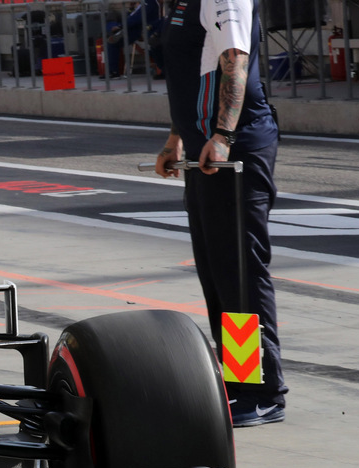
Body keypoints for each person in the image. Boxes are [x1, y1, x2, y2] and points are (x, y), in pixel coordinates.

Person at [154, 0, 285, 427]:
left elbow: (235, 62)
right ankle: (237, 379)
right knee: (214, 270)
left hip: (236, 147)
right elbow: (189, 70)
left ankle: (262, 392)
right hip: (202, 148)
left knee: (240, 271)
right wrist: (176, 137)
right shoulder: (175, 4)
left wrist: (224, 134)